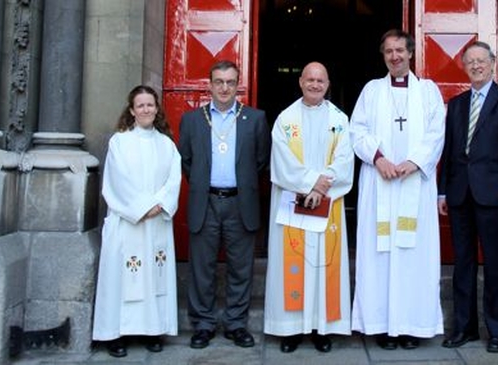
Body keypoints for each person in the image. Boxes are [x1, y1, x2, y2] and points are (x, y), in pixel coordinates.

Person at [349, 29, 446, 350]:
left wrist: (414, 162)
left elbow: (436, 133)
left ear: (410, 53)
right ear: (384, 56)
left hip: (415, 185)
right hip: (380, 186)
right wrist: (378, 159)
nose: (394, 56)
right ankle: (380, 325)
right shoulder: (372, 90)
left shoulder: (428, 92)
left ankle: (411, 327)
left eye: (400, 51)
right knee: (379, 256)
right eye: (389, 51)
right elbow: (356, 130)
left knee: (413, 257)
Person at [437, 41, 498, 354]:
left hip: (494, 196)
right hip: (460, 195)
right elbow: (449, 152)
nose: (475, 66)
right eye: (470, 61)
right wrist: (443, 190)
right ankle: (464, 328)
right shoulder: (458, 104)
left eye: (481, 60)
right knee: (462, 264)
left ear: (492, 63)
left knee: (496, 264)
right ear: (464, 66)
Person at [178, 60, 271, 349]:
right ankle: (203, 324)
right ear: (209, 84)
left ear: (237, 85)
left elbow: (261, 160)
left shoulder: (254, 118)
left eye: (230, 82)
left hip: (239, 202)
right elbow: (187, 161)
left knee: (241, 268)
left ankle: (235, 324)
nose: (224, 87)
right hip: (205, 202)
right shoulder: (193, 119)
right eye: (219, 81)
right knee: (201, 267)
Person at [263, 62, 355, 353]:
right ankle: (290, 330)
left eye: (321, 80)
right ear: (300, 82)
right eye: (310, 79)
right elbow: (282, 162)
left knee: (322, 265)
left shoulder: (340, 120)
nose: (315, 85)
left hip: (327, 205)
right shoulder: (286, 119)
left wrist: (319, 188)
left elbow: (345, 160)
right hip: (293, 202)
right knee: (295, 264)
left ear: (328, 84)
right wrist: (312, 185)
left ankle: (320, 328)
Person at [92, 85, 181, 358]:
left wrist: (160, 205)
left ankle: (152, 331)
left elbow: (174, 179)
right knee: (121, 278)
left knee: (153, 277)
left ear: (157, 109)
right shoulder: (120, 142)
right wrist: (143, 207)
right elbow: (118, 181)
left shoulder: (167, 144)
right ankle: (115, 334)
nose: (146, 110)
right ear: (131, 110)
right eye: (140, 105)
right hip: (127, 223)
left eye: (150, 105)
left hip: (156, 224)